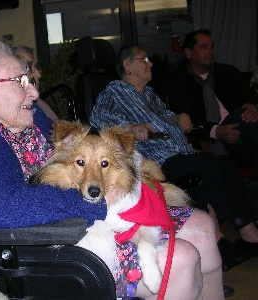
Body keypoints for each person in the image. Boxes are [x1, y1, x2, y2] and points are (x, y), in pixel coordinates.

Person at [0, 40, 223, 299]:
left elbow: (84, 150)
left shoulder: (29, 117)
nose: (35, 92)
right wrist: (96, 201)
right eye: (20, 82)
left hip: (77, 220)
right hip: (27, 247)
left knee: (202, 228)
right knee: (181, 259)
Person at [89, 44, 258, 273]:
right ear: (127, 65)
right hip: (159, 158)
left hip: (183, 151)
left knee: (224, 165)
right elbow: (98, 121)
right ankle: (218, 240)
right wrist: (130, 128)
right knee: (204, 172)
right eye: (144, 59)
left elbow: (166, 115)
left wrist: (180, 117)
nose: (151, 63)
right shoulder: (114, 90)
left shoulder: (149, 94)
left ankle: (250, 235)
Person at [167, 29, 258, 171]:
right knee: (240, 119)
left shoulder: (227, 72)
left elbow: (249, 95)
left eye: (212, 47)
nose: (210, 51)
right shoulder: (179, 85)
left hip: (242, 134)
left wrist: (252, 106)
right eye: (204, 47)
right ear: (188, 53)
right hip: (215, 140)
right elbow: (185, 121)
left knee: (247, 135)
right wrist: (217, 131)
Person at [13, 45, 59, 122]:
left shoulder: (38, 104)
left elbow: (56, 127)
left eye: (36, 66)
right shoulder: (13, 112)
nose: (38, 74)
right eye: (30, 67)